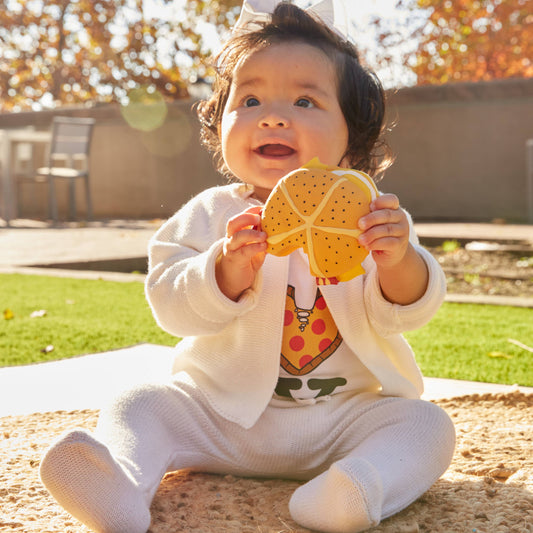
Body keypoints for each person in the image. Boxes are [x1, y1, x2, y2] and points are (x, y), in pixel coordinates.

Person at [40, 2, 455, 532]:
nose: (274, 116)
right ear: (221, 124)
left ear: (353, 134)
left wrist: (399, 262)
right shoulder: (211, 214)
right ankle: (118, 487)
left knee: (426, 424)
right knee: (140, 403)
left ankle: (354, 489)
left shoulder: (369, 215)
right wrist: (223, 271)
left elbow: (405, 313)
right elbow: (170, 305)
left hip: (340, 420)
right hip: (219, 417)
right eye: (251, 98)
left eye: (306, 100)